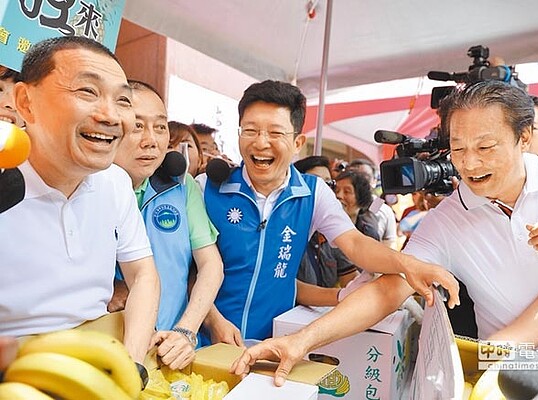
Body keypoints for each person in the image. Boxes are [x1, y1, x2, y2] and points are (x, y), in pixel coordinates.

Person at [231, 80, 538, 385]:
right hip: (499, 373)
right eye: (458, 149)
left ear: (524, 137)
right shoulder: (449, 219)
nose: (469, 163)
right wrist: (301, 341)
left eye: (485, 147)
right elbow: (389, 289)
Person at [197, 79, 458, 345]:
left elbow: (355, 243)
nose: (261, 143)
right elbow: (188, 270)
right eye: (250, 131)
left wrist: (406, 264)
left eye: (275, 133)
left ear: (298, 142)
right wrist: (212, 320)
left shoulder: (312, 193)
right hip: (205, 342)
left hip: (275, 343)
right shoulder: (207, 188)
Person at [0, 36, 160, 364]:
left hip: (96, 354)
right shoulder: (5, 182)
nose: (110, 115)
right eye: (87, 91)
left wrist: (132, 364)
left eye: (123, 101)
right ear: (25, 102)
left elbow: (143, 273)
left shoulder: (116, 182)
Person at [110, 81, 223, 369]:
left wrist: (186, 331)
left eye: (160, 127)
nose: (151, 140)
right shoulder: (89, 186)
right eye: (137, 126)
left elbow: (211, 266)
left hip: (171, 354)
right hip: (106, 350)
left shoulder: (182, 186)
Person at [293, 156, 359, 288]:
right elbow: (294, 290)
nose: (322, 189)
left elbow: (350, 277)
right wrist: (339, 296)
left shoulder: (330, 231)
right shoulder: (286, 229)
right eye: (314, 181)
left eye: (328, 184)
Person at [348, 158, 398, 249]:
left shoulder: (381, 208)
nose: (359, 181)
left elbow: (390, 244)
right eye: (354, 176)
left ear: (374, 181)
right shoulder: (338, 204)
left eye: (364, 176)